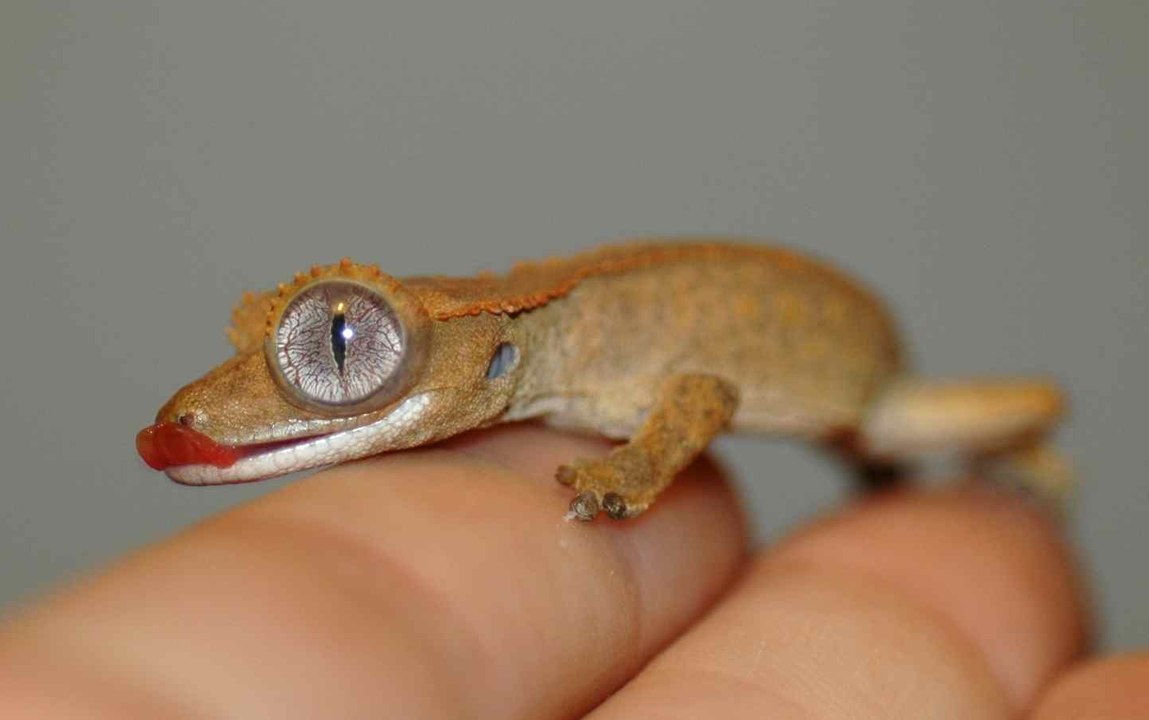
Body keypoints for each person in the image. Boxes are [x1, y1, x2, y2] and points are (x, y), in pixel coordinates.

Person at [0, 425, 1143, 718]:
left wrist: (641, 470)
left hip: (879, 398)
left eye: (339, 348)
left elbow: (702, 403)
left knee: (1003, 424)